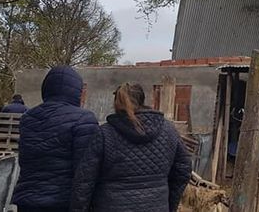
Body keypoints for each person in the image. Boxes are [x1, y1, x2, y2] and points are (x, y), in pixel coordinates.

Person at [70, 83, 192, 212]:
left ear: (116, 104)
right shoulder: (168, 131)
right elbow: (183, 169)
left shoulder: (104, 134)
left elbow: (84, 182)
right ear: (142, 100)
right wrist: (169, 203)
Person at [12, 65, 98, 212]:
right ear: (76, 91)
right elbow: (85, 171)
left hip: (27, 200)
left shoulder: (28, 118)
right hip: (62, 202)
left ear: (46, 88)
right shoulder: (84, 119)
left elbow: (25, 160)